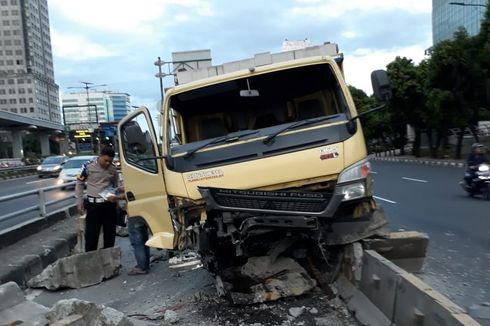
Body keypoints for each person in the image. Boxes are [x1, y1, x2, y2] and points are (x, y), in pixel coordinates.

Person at [75, 147, 124, 252]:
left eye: (110, 161)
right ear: (100, 156)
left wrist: (117, 202)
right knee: (92, 235)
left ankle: (109, 259)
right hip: (94, 206)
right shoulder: (87, 167)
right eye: (105, 160)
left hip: (109, 205)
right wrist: (79, 202)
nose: (107, 163)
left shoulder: (113, 169)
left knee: (110, 235)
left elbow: (115, 185)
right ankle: (90, 259)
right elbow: (79, 184)